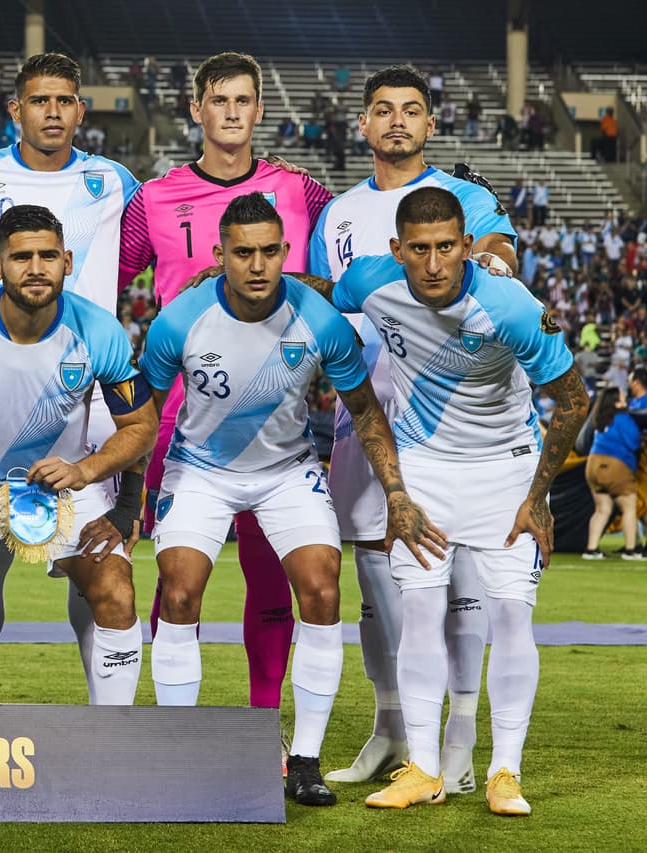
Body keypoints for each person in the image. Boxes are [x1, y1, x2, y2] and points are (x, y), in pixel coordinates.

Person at [139, 192, 442, 807]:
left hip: (286, 471)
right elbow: (139, 417)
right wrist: (127, 504)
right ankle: (175, 754)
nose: (257, 265)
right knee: (179, 592)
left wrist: (397, 492)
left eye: (269, 252)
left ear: (285, 253)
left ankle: (303, 762)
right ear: (220, 254)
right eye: (243, 253)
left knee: (323, 589)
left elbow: (367, 412)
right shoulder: (179, 319)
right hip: (200, 470)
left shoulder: (320, 321)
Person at [318, 186, 587, 816]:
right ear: (397, 249)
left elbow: (574, 401)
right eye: (419, 249)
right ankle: (423, 770)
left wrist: (538, 497)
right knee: (417, 610)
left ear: (467, 245)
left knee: (512, 615)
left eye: (446, 247)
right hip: (423, 469)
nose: (434, 263)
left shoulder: (510, 305)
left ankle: (505, 773)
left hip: (505, 470)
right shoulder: (370, 281)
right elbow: (322, 291)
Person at [308, 65, 519, 792]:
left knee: (455, 568)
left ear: (431, 123)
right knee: (376, 568)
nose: (396, 120)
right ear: (363, 124)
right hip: (365, 408)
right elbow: (329, 306)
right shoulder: (338, 214)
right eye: (382, 109)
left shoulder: (465, 197)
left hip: (449, 413)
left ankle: (459, 740)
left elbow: (502, 261)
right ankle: (391, 727)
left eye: (410, 110)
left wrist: (489, 259)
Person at [117, 52, 333, 722]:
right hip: (180, 422)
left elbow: (346, 277)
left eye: (244, 100)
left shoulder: (302, 192)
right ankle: (175, 730)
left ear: (260, 109)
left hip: (276, 420)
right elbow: (100, 285)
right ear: (197, 109)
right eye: (219, 100)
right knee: (176, 580)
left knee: (273, 581)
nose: (232, 112)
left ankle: (263, 727)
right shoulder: (154, 197)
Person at [0, 53, 140, 700]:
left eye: (64, 101)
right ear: (15, 109)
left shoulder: (115, 180)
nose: (52, 112)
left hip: (86, 402)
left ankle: (112, 730)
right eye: (38, 100)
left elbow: (167, 233)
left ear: (81, 109)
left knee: (101, 580)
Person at [0, 204, 158, 705]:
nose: (35, 268)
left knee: (116, 591)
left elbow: (141, 426)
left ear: (67, 261)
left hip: (65, 487)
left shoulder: (98, 330)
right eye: (21, 257)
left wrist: (87, 471)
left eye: (48, 256)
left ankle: (112, 737)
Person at [583, 373, 647, 559]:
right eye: (621, 396)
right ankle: (631, 550)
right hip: (615, 465)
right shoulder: (624, 419)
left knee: (602, 509)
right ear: (617, 403)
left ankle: (591, 550)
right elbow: (633, 442)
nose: (624, 396)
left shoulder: (600, 420)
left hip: (592, 465)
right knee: (629, 508)